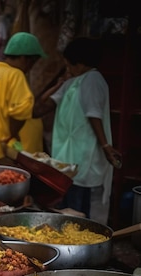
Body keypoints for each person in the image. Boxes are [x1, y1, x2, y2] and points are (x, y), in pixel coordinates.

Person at [34, 37, 122, 225]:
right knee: (68, 210)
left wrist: (106, 146)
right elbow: (40, 106)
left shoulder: (92, 79)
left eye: (69, 65)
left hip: (83, 157)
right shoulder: (73, 82)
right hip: (69, 159)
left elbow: (94, 115)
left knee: (78, 214)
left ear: (81, 64)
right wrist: (59, 83)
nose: (68, 70)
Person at [0, 32, 47, 164]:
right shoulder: (15, 75)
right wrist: (12, 137)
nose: (29, 69)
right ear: (25, 59)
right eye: (33, 63)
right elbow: (21, 112)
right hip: (0, 156)